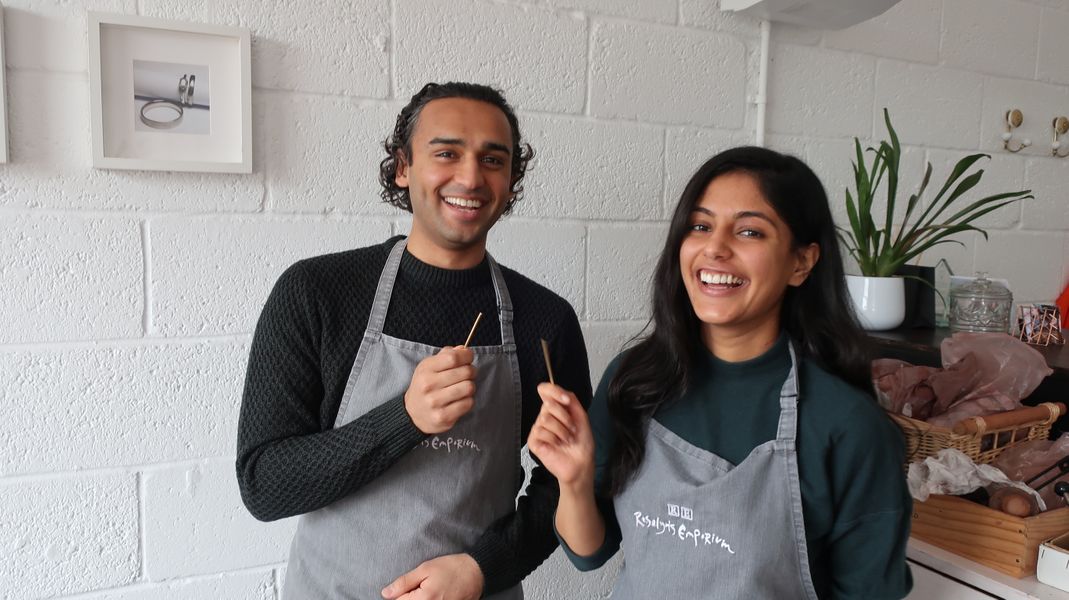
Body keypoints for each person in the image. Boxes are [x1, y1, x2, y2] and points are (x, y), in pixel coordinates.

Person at [236, 82, 592, 600]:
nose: (470, 177)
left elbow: (564, 485)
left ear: (512, 181)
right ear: (402, 167)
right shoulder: (316, 293)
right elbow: (264, 485)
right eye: (446, 152)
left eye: (493, 160)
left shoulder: (545, 320)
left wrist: (481, 570)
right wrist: (405, 418)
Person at [528, 147, 913, 598]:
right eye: (700, 226)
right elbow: (588, 552)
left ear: (801, 263)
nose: (715, 247)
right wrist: (573, 481)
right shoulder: (636, 381)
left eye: (749, 231)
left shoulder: (847, 426)